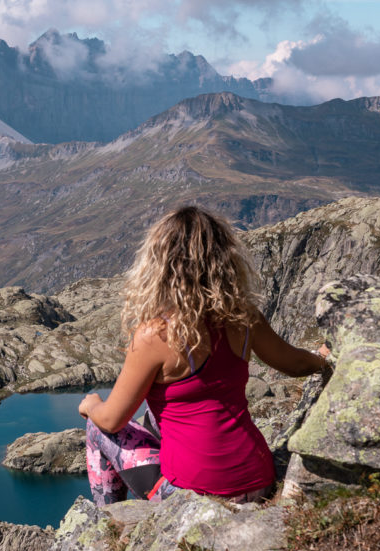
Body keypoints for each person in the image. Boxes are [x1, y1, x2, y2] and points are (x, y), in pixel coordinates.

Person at [78, 205, 330, 506]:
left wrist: (91, 405)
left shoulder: (154, 335)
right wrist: (322, 357)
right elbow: (296, 363)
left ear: (160, 266)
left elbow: (112, 420)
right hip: (258, 479)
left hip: (197, 495)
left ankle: (108, 526)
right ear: (225, 261)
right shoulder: (245, 317)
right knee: (154, 420)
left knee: (96, 429)